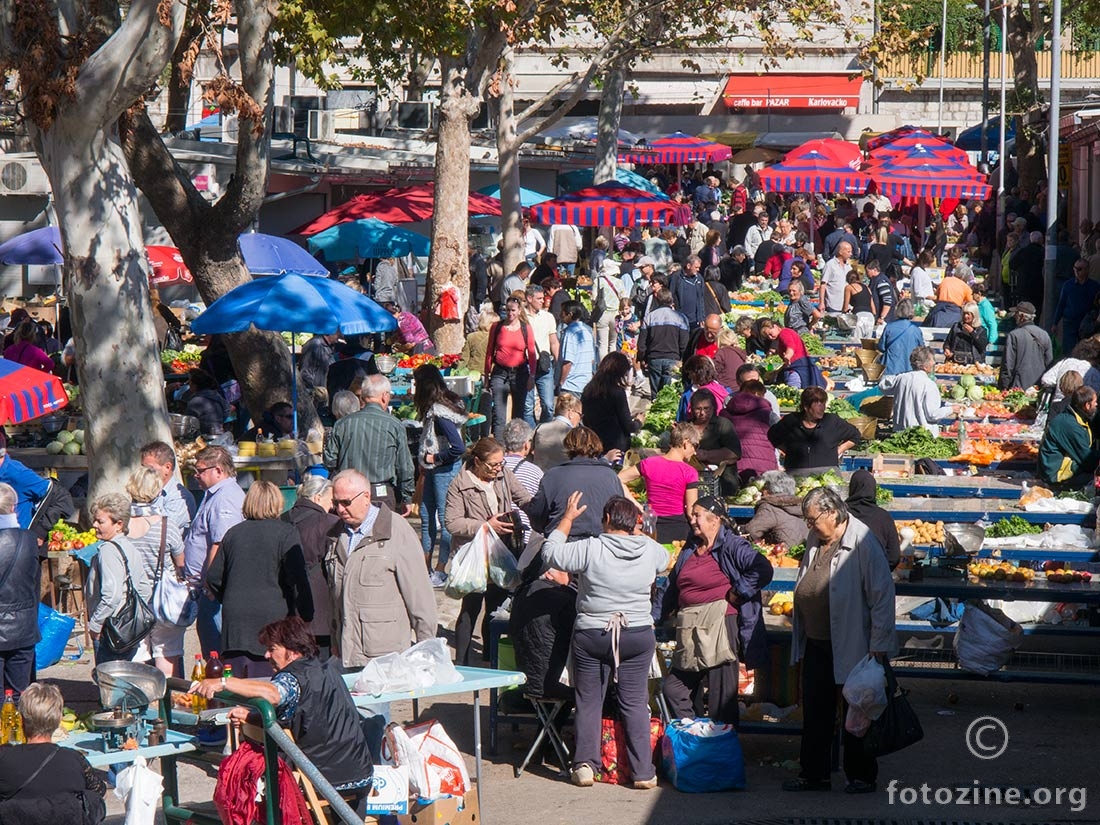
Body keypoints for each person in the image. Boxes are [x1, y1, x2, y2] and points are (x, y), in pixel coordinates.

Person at [540, 491, 667, 790]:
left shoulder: (590, 548)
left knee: (589, 700)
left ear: (606, 520)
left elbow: (551, 553)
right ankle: (643, 772)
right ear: (635, 524)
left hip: (593, 634)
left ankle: (585, 765)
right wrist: (639, 529)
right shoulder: (650, 550)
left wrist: (568, 519)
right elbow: (665, 558)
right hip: (637, 635)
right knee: (635, 702)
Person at [784, 487, 896, 794]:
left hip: (853, 643)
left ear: (833, 512)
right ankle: (814, 774)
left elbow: (882, 595)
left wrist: (879, 644)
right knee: (816, 711)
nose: (809, 526)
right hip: (818, 641)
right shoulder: (815, 540)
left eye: (812, 519)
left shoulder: (863, 542)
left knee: (856, 711)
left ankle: (861, 775)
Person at [189, 617, 374, 793]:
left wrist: (222, 682)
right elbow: (307, 720)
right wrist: (250, 716)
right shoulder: (326, 669)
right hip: (360, 773)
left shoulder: (292, 677)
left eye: (272, 649)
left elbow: (274, 693)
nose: (266, 655)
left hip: (323, 781)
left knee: (244, 776)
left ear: (292, 652)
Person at [659, 496, 773, 726]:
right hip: (691, 626)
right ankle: (697, 737)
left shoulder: (731, 544)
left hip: (721, 624)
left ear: (715, 520)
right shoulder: (691, 547)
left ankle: (722, 752)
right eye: (692, 514)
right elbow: (671, 585)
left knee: (722, 699)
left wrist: (737, 592)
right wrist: (654, 615)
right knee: (674, 688)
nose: (692, 520)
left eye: (697, 515)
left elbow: (762, 568)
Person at [325, 469, 437, 667]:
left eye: (346, 502)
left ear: (366, 497)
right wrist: (335, 640)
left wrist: (425, 649)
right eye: (336, 503)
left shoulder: (397, 531)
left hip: (385, 657)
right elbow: (335, 598)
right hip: (346, 652)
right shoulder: (335, 536)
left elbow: (420, 596)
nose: (340, 509)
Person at [206, 481, 312, 678]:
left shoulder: (233, 533)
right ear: (277, 504)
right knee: (266, 687)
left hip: (235, 622)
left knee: (236, 686)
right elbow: (298, 578)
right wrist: (305, 615)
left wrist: (229, 596)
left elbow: (213, 577)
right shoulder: (286, 533)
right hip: (273, 619)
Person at [444, 437, 532, 666]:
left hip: (500, 551)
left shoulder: (504, 476)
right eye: (493, 464)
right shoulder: (459, 484)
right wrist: (484, 525)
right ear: (477, 461)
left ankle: (490, 658)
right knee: (470, 607)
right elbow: (452, 523)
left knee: (495, 606)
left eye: (500, 463)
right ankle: (462, 661)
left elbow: (524, 498)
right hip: (475, 555)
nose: (497, 468)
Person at [0, 682, 106, 823]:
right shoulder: (73, 759)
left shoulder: (4, 759)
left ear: (21, 719)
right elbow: (99, 791)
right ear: (58, 721)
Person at [183, 445, 245, 658]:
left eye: (200, 470)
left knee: (216, 649)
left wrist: (211, 582)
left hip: (214, 589)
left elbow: (220, 543)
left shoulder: (225, 497)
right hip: (209, 587)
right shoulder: (214, 494)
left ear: (218, 470)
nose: (196, 475)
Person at [323, 374, 414, 513]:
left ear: (361, 397)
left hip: (348, 492)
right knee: (381, 533)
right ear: (384, 396)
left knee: (350, 532)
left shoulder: (342, 424)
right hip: (381, 493)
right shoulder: (394, 425)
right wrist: (407, 497)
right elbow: (404, 466)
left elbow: (330, 461)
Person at [125, 467, 185, 677]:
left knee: (137, 656)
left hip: (131, 602)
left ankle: (141, 705)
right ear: (158, 492)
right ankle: (168, 704)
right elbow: (180, 562)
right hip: (164, 600)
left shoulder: (122, 525)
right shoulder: (167, 526)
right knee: (166, 654)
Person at [413, 364, 467, 587]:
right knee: (426, 517)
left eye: (416, 383)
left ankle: (441, 568)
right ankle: (425, 566)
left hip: (444, 471)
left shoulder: (440, 413)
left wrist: (435, 458)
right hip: (433, 472)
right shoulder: (438, 406)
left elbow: (458, 447)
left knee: (446, 521)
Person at [85, 492, 153, 666]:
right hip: (127, 631)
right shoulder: (129, 547)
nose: (94, 525)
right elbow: (144, 589)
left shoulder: (108, 550)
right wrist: (131, 619)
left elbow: (111, 595)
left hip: (110, 629)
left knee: (110, 684)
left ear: (119, 524)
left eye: (100, 521)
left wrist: (95, 625)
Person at [528, 426, 624, 540]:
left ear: (568, 446)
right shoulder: (610, 476)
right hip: (601, 546)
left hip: (563, 546)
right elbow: (621, 514)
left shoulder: (553, 475)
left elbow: (537, 517)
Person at [282, 475, 340, 658]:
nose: (332, 506)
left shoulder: (282, 519)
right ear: (317, 498)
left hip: (286, 604)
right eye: (331, 500)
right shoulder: (328, 523)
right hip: (319, 608)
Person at [617, 423, 700, 542]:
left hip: (652, 527)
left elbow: (618, 479)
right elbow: (691, 512)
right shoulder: (689, 472)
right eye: (695, 446)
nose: (695, 452)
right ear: (686, 443)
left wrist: (639, 507)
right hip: (678, 529)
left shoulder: (649, 463)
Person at [0, 483, 39, 695]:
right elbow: (34, 583)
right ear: (14, 508)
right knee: (19, 693)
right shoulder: (30, 540)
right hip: (23, 625)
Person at [768, 386, 861, 473]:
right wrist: (788, 451)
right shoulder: (791, 421)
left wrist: (839, 450)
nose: (822, 407)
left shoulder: (832, 421)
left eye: (823, 403)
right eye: (817, 404)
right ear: (806, 406)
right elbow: (772, 435)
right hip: (796, 475)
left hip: (827, 474)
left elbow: (855, 435)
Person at [881, 346, 953, 437]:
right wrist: (952, 409)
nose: (934, 362)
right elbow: (932, 415)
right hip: (921, 436)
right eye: (932, 360)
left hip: (900, 433)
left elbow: (883, 386)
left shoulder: (902, 378)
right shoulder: (929, 384)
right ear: (925, 366)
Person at [1038, 386, 1100, 490]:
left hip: (1059, 468)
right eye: (1095, 402)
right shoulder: (1070, 426)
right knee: (1093, 479)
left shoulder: (1078, 418)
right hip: (1055, 474)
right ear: (1087, 405)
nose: (1097, 405)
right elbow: (1087, 460)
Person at [580, 351, 641, 455]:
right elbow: (629, 426)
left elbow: (585, 419)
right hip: (615, 446)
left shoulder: (588, 389)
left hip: (594, 443)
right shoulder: (616, 392)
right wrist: (639, 422)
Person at [688, 389, 742, 496]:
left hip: (722, 480)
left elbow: (735, 453)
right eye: (698, 409)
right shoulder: (687, 427)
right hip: (693, 480)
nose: (702, 413)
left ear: (714, 408)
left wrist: (706, 455)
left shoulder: (722, 424)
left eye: (706, 409)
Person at [637, 288, 689, 398]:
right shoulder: (680, 318)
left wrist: (642, 358)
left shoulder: (649, 317)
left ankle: (653, 409)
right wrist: (683, 359)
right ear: (671, 300)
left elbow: (642, 342)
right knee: (669, 395)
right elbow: (684, 343)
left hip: (654, 358)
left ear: (657, 300)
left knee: (655, 395)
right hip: (673, 358)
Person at [845, 469, 901, 569]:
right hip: (877, 577)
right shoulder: (884, 517)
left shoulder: (841, 515)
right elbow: (894, 556)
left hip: (845, 577)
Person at [140, 441, 196, 534]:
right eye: (143, 467)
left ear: (167, 467)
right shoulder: (144, 490)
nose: (144, 472)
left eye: (150, 468)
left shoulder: (179, 497)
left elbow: (161, 530)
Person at [741, 471, 807, 548]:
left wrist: (739, 529)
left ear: (766, 491)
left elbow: (751, 532)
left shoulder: (769, 506)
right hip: (803, 553)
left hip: (782, 556)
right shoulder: (800, 504)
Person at [524, 284, 560, 425]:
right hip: (526, 365)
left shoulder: (548, 317)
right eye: (538, 298)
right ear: (529, 298)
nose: (542, 301)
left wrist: (558, 362)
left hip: (544, 365)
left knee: (548, 405)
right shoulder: (521, 317)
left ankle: (543, 431)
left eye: (542, 298)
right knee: (527, 406)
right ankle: (532, 435)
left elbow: (554, 342)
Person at [999, 302, 1053, 391]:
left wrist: (1004, 387)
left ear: (1022, 317)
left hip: (1018, 387)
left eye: (1016, 314)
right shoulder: (1044, 335)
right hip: (1038, 387)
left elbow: (1008, 364)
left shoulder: (1014, 335)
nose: (1014, 316)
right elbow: (1049, 363)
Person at [760, 319, 825, 389]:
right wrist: (777, 371)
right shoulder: (786, 333)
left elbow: (790, 346)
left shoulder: (784, 333)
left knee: (794, 392)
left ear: (775, 326)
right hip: (803, 367)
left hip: (797, 370)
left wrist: (788, 355)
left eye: (770, 333)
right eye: (767, 336)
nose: (770, 337)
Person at [1052, 259, 1100, 354]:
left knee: (1087, 351)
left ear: (1087, 270)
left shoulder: (1094, 286)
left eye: (1080, 269)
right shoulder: (1068, 285)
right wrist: (1055, 323)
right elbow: (1061, 304)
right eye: (1075, 269)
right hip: (1070, 322)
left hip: (1086, 323)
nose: (1076, 271)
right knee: (1069, 350)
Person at [531, 393, 582, 471]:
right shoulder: (574, 435)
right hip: (563, 478)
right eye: (580, 415)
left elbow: (528, 452)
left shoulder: (540, 428)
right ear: (571, 413)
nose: (580, 419)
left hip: (538, 476)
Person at [878, 298, 926, 377]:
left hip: (891, 369)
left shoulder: (889, 327)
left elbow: (881, 347)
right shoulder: (916, 330)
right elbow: (922, 350)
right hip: (910, 371)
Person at [557, 300, 596, 396]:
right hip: (585, 384)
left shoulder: (569, 333)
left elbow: (568, 362)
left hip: (570, 386)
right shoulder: (587, 331)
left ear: (569, 314)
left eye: (562, 312)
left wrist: (561, 382)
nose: (560, 314)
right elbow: (592, 360)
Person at [184, 369, 228, 435]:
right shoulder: (216, 395)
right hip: (219, 433)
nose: (188, 384)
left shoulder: (196, 402)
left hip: (203, 437)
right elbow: (227, 409)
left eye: (189, 382)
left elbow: (188, 423)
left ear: (195, 385)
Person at [671, 255, 707, 328]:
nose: (698, 270)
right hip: (680, 318)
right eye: (696, 267)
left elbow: (701, 298)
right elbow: (671, 294)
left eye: (699, 267)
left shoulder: (699, 279)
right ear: (688, 266)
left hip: (695, 319)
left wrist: (701, 317)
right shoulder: (677, 277)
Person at [818, 241, 853, 314]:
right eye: (848, 252)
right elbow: (823, 285)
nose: (851, 254)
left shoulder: (848, 266)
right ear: (840, 252)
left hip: (846, 306)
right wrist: (821, 303)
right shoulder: (830, 265)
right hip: (833, 305)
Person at [842, 269, 875, 339]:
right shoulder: (867, 288)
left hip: (859, 316)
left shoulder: (849, 287)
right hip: (870, 318)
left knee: (856, 343)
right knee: (866, 344)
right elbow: (874, 310)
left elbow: (845, 307)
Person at [972, 282, 998, 347]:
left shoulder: (985, 306)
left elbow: (992, 324)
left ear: (979, 294)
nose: (972, 296)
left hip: (984, 339)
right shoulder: (979, 305)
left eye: (973, 294)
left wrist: (991, 341)